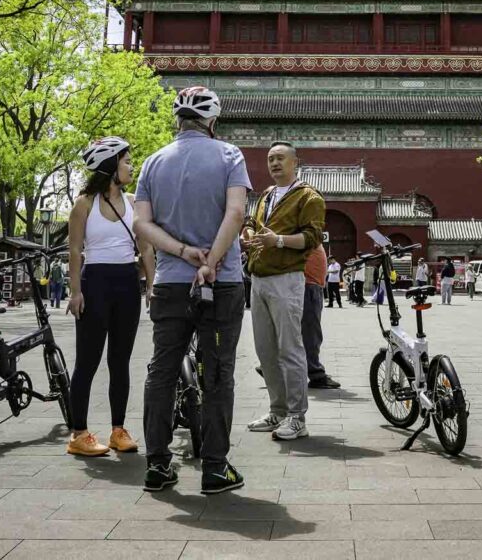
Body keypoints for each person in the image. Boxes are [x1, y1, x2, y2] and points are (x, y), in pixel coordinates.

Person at [135, 86, 250, 495]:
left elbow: (142, 226)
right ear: (212, 121)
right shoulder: (229, 156)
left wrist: (183, 252)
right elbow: (236, 212)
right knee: (218, 371)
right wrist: (211, 261)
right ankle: (215, 469)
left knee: (161, 371)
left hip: (169, 283)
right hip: (221, 284)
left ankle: (158, 465)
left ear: (177, 120)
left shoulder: (151, 163)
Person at [66, 137, 155, 458]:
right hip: (95, 284)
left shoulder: (134, 202)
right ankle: (79, 434)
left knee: (120, 361)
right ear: (109, 167)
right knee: (87, 362)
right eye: (126, 161)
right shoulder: (84, 204)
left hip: (127, 283)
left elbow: (146, 247)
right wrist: (75, 292)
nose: (131, 165)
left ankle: (118, 430)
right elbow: (75, 251)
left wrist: (151, 285)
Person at [245, 141, 325, 441]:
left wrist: (277, 241)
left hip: (287, 278)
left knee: (289, 349)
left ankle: (296, 416)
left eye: (280, 158)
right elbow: (254, 224)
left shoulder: (309, 196)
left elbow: (312, 237)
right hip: (259, 278)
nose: (274, 163)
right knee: (265, 350)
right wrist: (250, 235)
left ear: (295, 162)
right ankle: (277, 410)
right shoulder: (266, 194)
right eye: (270, 159)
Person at [303, 243, 341, 389]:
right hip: (308, 287)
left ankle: (273, 367)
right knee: (311, 333)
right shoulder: (301, 225)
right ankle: (316, 373)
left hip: (312, 286)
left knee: (304, 332)